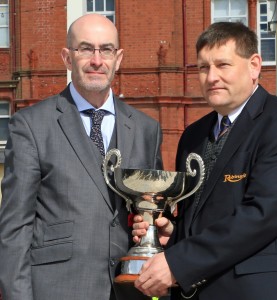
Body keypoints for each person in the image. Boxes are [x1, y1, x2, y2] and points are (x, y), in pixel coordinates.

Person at [132, 22, 277, 300]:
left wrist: (179, 262)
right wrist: (173, 235)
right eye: (203, 67)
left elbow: (262, 214)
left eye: (223, 65)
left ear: (254, 65)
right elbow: (201, 214)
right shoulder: (193, 136)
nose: (211, 77)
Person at [0, 14, 163, 300]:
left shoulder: (146, 129)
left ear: (119, 58)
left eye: (107, 50)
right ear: (67, 57)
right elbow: (16, 227)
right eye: (85, 49)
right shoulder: (31, 125)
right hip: (58, 289)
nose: (97, 60)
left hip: (130, 290)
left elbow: (151, 210)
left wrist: (151, 222)